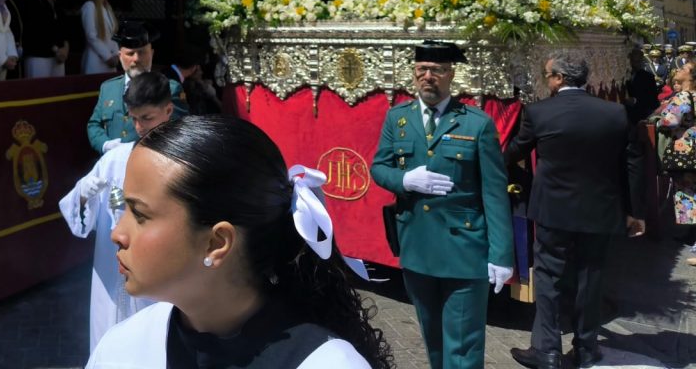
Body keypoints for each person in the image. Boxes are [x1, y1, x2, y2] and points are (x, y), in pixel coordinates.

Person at [88, 115, 394, 368]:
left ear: (216, 243)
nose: (117, 234)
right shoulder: (125, 346)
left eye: (140, 214)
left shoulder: (327, 363)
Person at [370, 40, 513, 369]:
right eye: (422, 69)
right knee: (433, 340)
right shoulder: (398, 118)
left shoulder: (476, 123)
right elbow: (379, 167)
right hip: (417, 246)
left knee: (462, 348)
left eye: (436, 70)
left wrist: (501, 255)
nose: (427, 76)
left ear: (451, 74)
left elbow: (494, 192)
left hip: (463, 250)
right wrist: (405, 180)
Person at [505, 50, 645, 369]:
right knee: (590, 277)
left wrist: (492, 158)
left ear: (559, 78)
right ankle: (585, 348)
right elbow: (633, 163)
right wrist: (635, 212)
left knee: (549, 277)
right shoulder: (615, 113)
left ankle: (546, 349)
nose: (547, 81)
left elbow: (515, 151)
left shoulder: (539, 112)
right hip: (601, 209)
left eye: (547, 75)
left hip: (552, 210)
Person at [59, 72, 175, 351]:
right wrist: (84, 194)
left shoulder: (180, 161)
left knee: (155, 340)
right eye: (134, 119)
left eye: (147, 118)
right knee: (111, 338)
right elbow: (77, 211)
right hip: (113, 272)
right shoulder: (116, 159)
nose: (139, 127)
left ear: (168, 111)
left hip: (157, 269)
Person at [86, 21, 187, 154]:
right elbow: (94, 125)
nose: (136, 59)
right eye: (130, 53)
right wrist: (106, 145)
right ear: (120, 56)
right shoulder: (108, 88)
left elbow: (179, 130)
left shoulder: (169, 88)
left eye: (142, 52)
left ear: (152, 53)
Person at [653, 61, 696, 265]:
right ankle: (692, 234)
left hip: (687, 150)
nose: (678, 69)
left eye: (684, 68)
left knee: (688, 192)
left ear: (692, 77)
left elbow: (669, 120)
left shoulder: (684, 96)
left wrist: (662, 114)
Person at [20, 0, 69, 78]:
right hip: (38, 55)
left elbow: (61, 26)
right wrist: (56, 49)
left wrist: (65, 47)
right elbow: (35, 29)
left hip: (58, 57)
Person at [80, 0, 119, 74]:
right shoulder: (89, 6)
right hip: (95, 62)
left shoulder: (107, 8)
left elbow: (112, 36)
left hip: (111, 62)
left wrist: (116, 54)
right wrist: (107, 57)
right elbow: (91, 36)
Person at [624, 45, 660, 125]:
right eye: (633, 61)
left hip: (642, 115)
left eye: (638, 61)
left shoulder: (648, 77)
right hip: (626, 114)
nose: (635, 64)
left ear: (641, 61)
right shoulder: (624, 75)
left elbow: (653, 99)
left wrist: (635, 101)